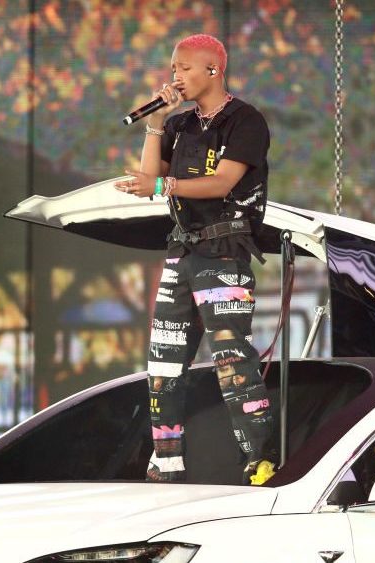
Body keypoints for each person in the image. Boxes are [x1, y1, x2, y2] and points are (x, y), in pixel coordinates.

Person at [114, 34, 276, 485]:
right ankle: (165, 463)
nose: (175, 76)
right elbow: (151, 176)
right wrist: (156, 122)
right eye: (172, 69)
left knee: (231, 358)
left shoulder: (245, 121)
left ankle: (259, 459)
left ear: (212, 70)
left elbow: (222, 183)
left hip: (224, 251)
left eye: (184, 68)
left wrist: (161, 188)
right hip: (181, 249)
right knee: (164, 363)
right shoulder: (180, 124)